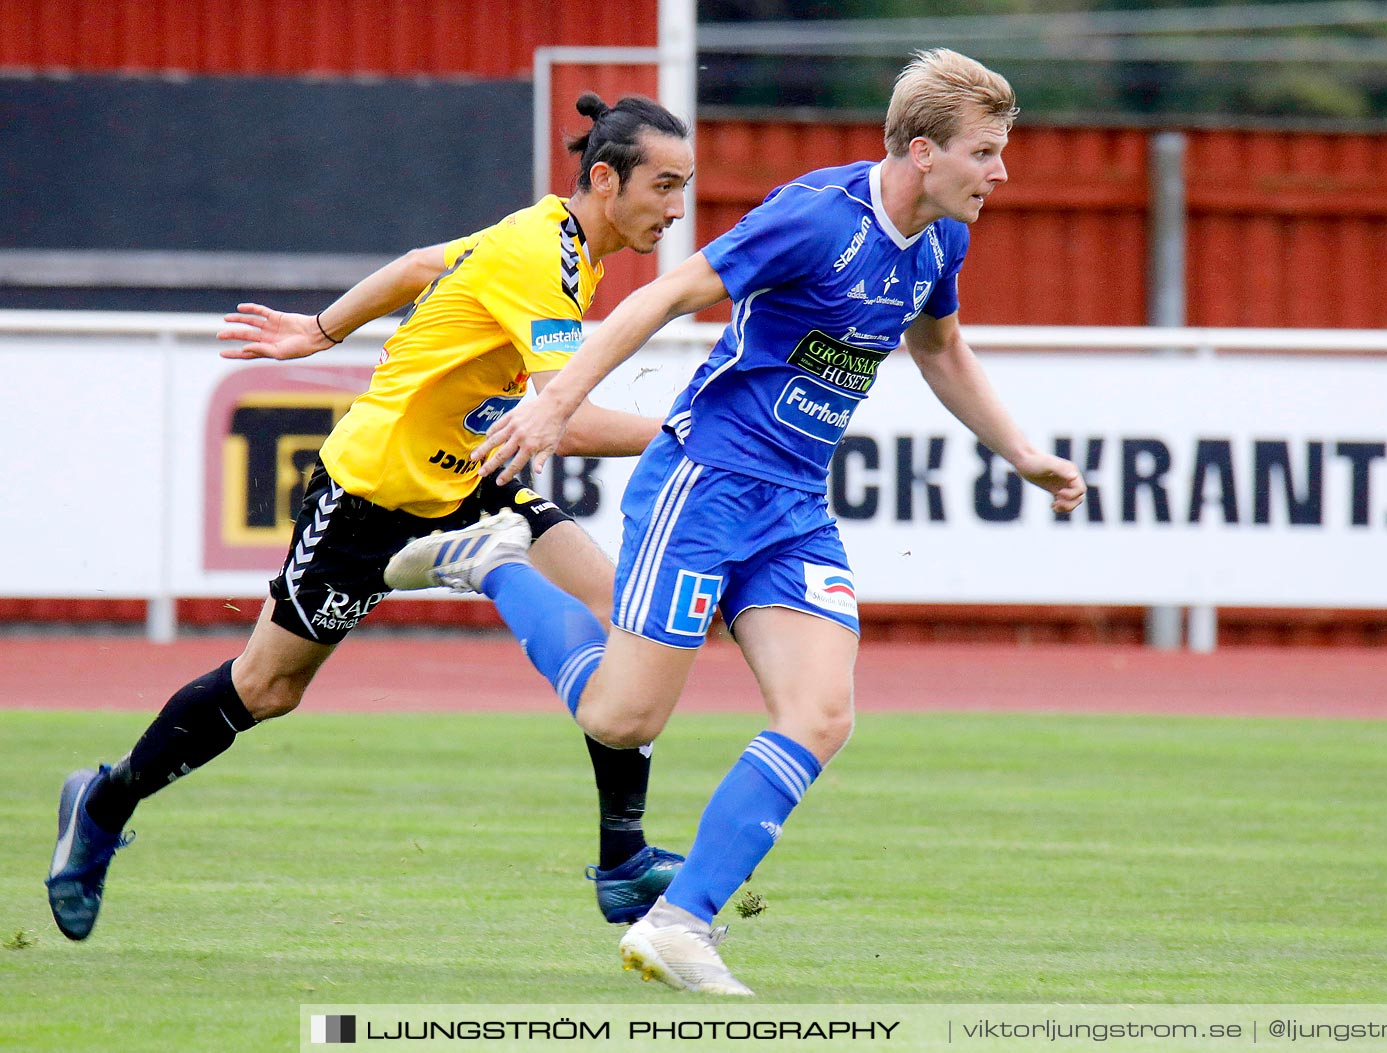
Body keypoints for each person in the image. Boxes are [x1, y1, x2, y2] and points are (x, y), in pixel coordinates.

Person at [383, 49, 1086, 996]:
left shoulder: (942, 240)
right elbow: (665, 294)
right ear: (923, 151)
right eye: (987, 152)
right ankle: (497, 559)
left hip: (793, 507)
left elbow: (940, 346)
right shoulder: (816, 217)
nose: (1001, 172)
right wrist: (555, 405)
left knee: (823, 712)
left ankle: (680, 924)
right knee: (622, 718)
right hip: (704, 483)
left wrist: (1023, 452)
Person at [46, 93, 698, 942]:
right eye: (665, 186)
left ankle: (621, 861)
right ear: (606, 179)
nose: (677, 209)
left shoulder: (559, 242)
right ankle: (101, 803)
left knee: (626, 620)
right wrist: (688, 436)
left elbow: (420, 265)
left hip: (471, 476)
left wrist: (319, 330)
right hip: (371, 492)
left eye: (685, 188)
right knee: (266, 688)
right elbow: (561, 421)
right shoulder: (543, 256)